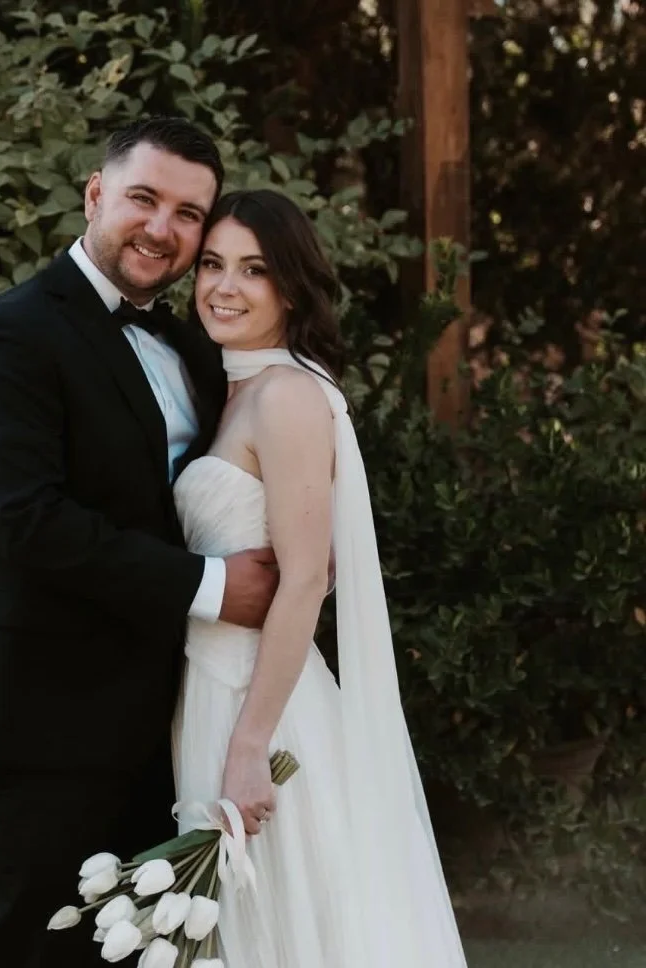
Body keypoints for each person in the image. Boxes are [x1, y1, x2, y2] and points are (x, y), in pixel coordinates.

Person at [0, 118, 279, 968]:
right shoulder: (7, 336)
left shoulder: (197, 346)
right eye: (144, 199)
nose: (163, 228)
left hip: (172, 712)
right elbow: (27, 520)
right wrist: (207, 587)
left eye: (188, 214)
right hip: (45, 716)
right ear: (95, 195)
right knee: (38, 950)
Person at [172, 189, 469, 967]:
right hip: (207, 688)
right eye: (211, 264)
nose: (223, 286)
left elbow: (304, 580)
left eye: (253, 270)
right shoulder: (231, 391)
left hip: (263, 710)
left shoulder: (290, 396)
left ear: (293, 289)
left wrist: (249, 746)